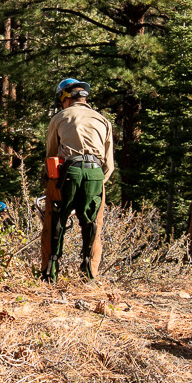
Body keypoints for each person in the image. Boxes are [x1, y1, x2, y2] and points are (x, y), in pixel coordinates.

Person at [43, 77, 116, 281]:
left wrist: (50, 185)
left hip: (68, 171)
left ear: (64, 98)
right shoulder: (103, 120)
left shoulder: (60, 117)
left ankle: (49, 274)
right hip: (95, 174)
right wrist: (97, 182)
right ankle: (89, 276)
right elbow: (109, 164)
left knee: (55, 220)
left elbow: (51, 155)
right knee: (93, 225)